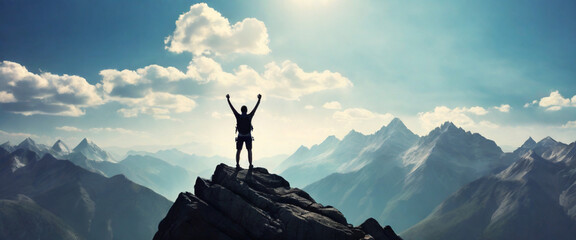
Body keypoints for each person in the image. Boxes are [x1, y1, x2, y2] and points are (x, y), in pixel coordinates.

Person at [226, 94, 261, 169]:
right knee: (249, 150)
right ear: (246, 110)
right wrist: (259, 99)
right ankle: (250, 165)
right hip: (248, 135)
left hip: (240, 135)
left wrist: (228, 99)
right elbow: (256, 108)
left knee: (238, 150)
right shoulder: (249, 116)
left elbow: (232, 108)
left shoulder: (238, 116)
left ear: (241, 110)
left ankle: (237, 165)